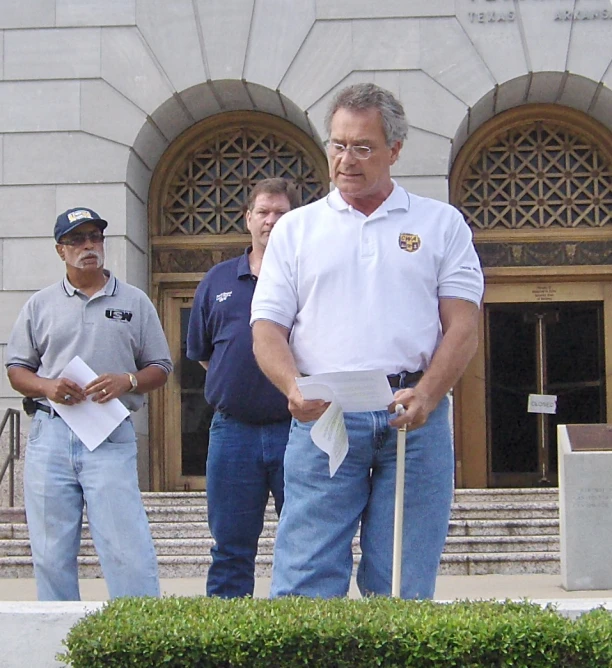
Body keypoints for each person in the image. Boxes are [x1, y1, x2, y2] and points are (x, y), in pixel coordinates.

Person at [250, 83, 484, 600]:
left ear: (395, 150)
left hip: (413, 418)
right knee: (306, 580)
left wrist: (428, 393)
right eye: (337, 145)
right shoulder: (295, 229)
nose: (345, 160)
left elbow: (463, 326)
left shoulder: (441, 225)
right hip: (325, 413)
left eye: (362, 147)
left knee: (401, 583)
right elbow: (266, 328)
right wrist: (292, 386)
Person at [6, 207, 173, 601]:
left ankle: (137, 635)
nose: (88, 247)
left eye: (95, 238)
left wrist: (127, 380)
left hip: (110, 432)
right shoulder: (39, 305)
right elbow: (16, 370)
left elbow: (162, 367)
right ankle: (59, 635)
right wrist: (47, 387)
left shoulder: (134, 301)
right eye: (78, 240)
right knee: (50, 549)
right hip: (51, 433)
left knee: (124, 542)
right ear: (60, 250)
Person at [186, 178, 299, 598]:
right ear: (248, 218)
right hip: (233, 433)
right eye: (264, 212)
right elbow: (201, 353)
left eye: (281, 213)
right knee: (230, 547)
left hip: (297, 430)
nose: (271, 220)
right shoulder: (217, 280)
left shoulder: (305, 272)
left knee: (304, 545)